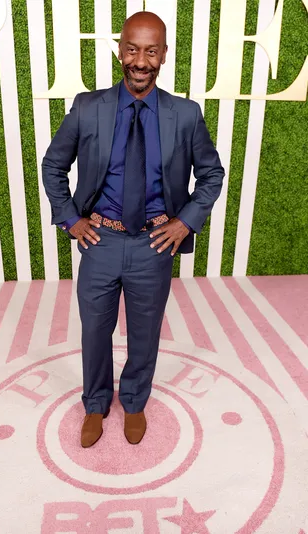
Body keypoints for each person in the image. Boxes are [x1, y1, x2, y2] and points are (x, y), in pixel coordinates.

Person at [42, 11, 225, 448]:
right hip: (101, 241)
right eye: (132, 48)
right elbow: (53, 166)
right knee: (94, 329)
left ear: (163, 55)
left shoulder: (184, 114)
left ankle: (135, 400)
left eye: (151, 50)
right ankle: (96, 403)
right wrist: (70, 218)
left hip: (153, 244)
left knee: (145, 331)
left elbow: (212, 175)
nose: (140, 60)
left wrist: (185, 222)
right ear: (120, 49)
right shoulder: (89, 108)